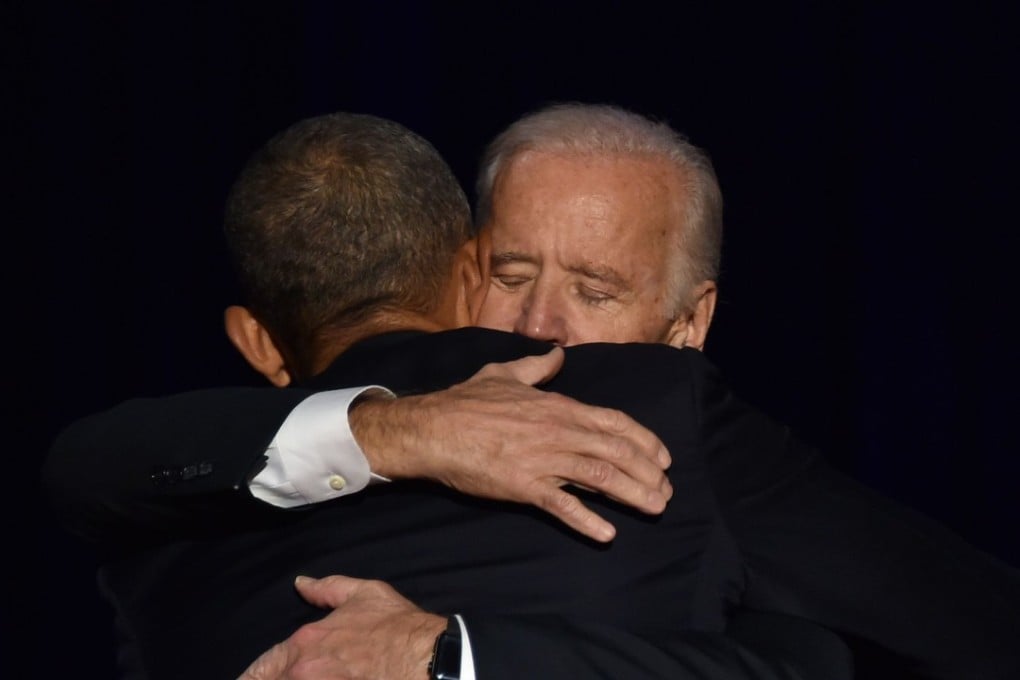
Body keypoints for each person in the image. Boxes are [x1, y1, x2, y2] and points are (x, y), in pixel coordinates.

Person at [47, 105, 1020, 680]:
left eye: (595, 290)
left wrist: (456, 652)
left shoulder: (673, 415)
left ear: (690, 325)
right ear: (461, 269)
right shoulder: (196, 489)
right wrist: (399, 428)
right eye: (513, 274)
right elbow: (93, 463)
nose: (540, 324)